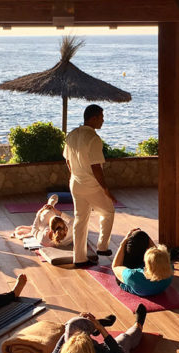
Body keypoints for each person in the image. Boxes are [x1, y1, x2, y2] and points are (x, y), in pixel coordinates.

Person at [64, 104, 116, 267]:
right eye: (101, 117)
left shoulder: (72, 135)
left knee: (81, 219)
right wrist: (105, 189)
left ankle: (79, 258)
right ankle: (102, 247)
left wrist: (74, 175)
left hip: (75, 183)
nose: (103, 120)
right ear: (93, 118)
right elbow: (95, 167)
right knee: (108, 211)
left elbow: (67, 160)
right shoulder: (93, 139)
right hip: (91, 185)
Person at [112, 228, 173, 296]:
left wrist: (123, 243)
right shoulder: (170, 269)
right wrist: (144, 236)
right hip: (151, 276)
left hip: (134, 282)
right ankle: (141, 236)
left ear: (147, 264)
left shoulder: (133, 276)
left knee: (135, 241)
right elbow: (158, 255)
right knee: (140, 236)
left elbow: (115, 267)